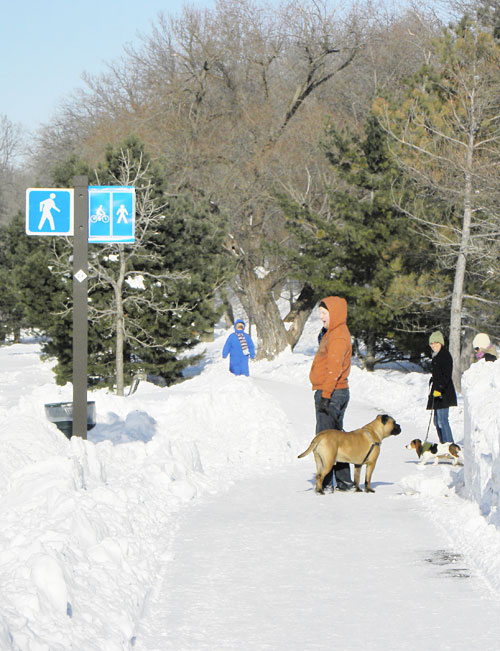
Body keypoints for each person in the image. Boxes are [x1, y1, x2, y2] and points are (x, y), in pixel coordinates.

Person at [309, 296, 354, 492]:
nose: (321, 317)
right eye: (320, 313)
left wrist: (326, 395)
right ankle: (344, 482)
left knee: (326, 439)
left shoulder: (338, 336)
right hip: (334, 391)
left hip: (332, 393)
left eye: (324, 313)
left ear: (334, 313)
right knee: (337, 439)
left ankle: (326, 483)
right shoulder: (333, 332)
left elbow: (333, 368)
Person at [426, 331, 457, 444]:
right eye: (431, 343)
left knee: (442, 420)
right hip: (437, 392)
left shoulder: (444, 356)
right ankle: (443, 444)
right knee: (436, 421)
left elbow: (446, 375)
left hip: (444, 393)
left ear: (441, 343)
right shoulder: (436, 356)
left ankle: (450, 446)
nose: (433, 345)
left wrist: (439, 388)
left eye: (436, 343)